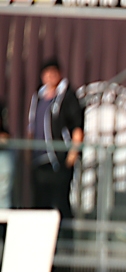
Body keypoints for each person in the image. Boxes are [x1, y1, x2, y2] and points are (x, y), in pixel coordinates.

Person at [28, 58, 83, 219]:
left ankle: (66, 240)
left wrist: (73, 152)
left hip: (59, 159)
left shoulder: (67, 96)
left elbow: (77, 126)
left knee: (60, 202)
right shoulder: (38, 97)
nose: (50, 76)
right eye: (46, 73)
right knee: (40, 202)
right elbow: (32, 126)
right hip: (40, 160)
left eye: (53, 72)